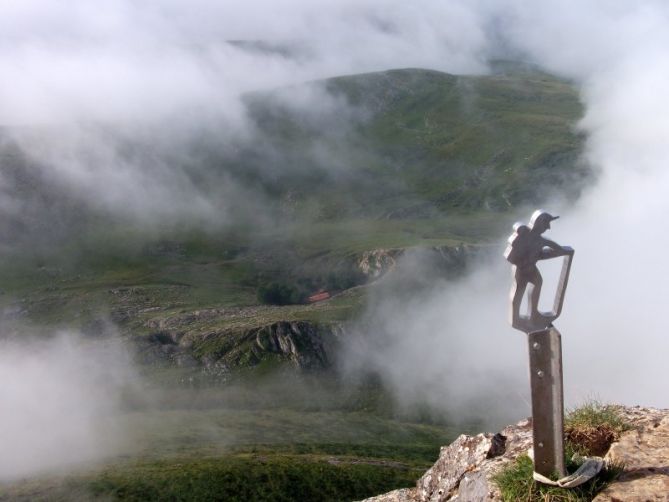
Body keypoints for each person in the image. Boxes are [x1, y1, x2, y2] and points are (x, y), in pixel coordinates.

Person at [505, 210, 573, 331]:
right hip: (522, 270)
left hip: (530, 269)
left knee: (537, 283)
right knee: (519, 290)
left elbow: (550, 250)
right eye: (547, 224)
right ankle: (516, 317)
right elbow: (554, 249)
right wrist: (562, 251)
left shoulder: (540, 240)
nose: (548, 227)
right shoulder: (534, 239)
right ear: (540, 224)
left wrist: (563, 252)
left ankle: (532, 314)